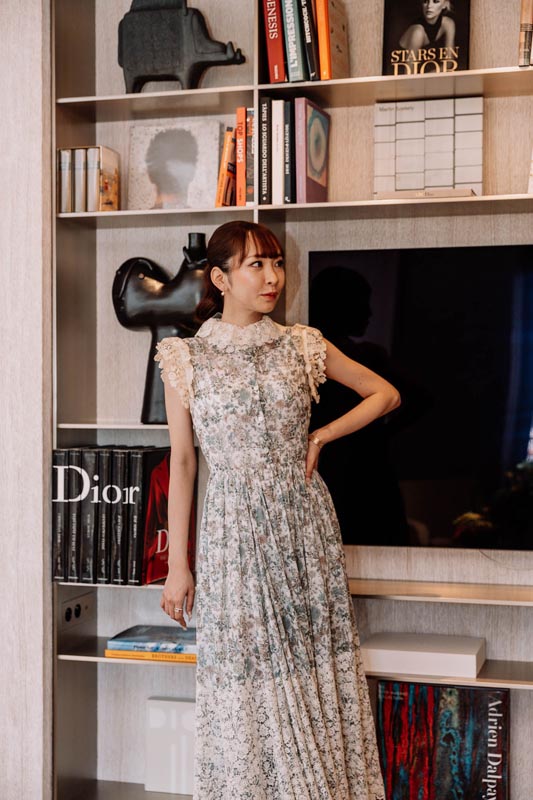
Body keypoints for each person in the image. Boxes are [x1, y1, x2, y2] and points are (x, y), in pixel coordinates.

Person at [154, 220, 399, 799]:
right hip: (232, 530)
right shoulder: (185, 357)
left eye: (277, 263)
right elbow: (183, 463)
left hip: (303, 525)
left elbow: (385, 394)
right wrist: (178, 566)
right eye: (256, 265)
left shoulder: (303, 344)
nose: (272, 278)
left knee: (311, 672)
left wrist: (322, 435)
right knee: (248, 676)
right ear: (221, 278)